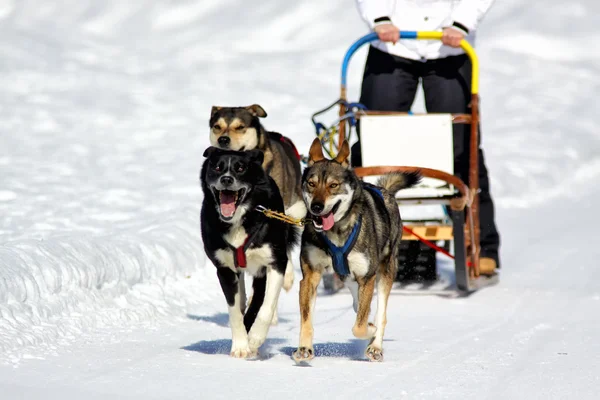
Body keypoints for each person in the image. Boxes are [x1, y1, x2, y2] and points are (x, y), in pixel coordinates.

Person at [352, 0, 500, 275]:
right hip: (391, 44)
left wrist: (461, 22)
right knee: (371, 142)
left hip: (449, 45)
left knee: (462, 146)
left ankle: (482, 244)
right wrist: (379, 17)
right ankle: (351, 240)